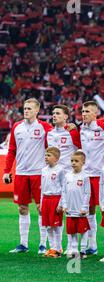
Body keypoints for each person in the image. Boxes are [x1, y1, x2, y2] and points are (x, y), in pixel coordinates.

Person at [3, 98, 53, 254]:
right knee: (22, 208)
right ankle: (23, 244)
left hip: (38, 173)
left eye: (30, 109)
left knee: (40, 208)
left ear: (37, 110)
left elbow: (55, 143)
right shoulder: (17, 127)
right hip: (21, 174)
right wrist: (7, 171)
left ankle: (43, 244)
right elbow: (11, 151)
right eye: (25, 108)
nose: (26, 111)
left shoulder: (45, 127)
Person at [80, 101, 104, 256]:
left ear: (95, 113)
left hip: (102, 175)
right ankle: (92, 245)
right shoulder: (80, 129)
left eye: (87, 111)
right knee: (88, 210)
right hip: (86, 175)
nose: (84, 114)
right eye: (82, 111)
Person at [57, 150, 91, 259]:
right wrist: (64, 205)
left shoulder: (85, 176)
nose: (73, 163)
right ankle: (74, 249)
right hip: (70, 209)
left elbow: (87, 193)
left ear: (83, 162)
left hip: (80, 210)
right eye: (72, 161)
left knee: (83, 230)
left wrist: (84, 207)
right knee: (72, 230)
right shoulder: (67, 176)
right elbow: (64, 191)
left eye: (76, 161)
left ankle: (83, 250)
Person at [40, 147, 66, 258]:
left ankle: (58, 248)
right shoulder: (43, 170)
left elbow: (64, 188)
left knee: (56, 226)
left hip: (56, 199)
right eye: (45, 155)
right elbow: (42, 188)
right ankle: (52, 248)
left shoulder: (60, 170)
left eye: (49, 155)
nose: (46, 157)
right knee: (48, 226)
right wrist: (41, 203)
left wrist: (61, 203)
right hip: (46, 199)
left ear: (56, 158)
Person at [47, 105, 81, 171]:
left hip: (68, 174)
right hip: (52, 173)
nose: (54, 115)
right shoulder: (48, 133)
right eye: (53, 113)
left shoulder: (73, 133)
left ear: (65, 117)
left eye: (57, 113)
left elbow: (82, 150)